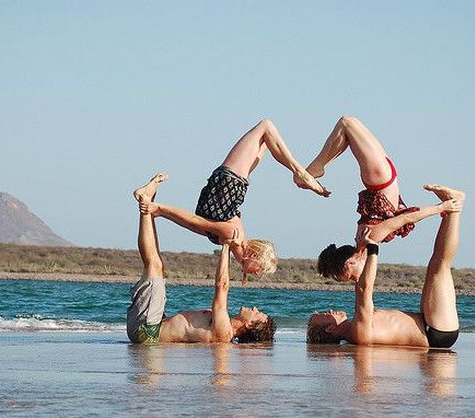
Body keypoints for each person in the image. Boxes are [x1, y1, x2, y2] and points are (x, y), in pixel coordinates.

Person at [137, 119, 330, 278]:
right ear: (253, 255)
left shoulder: (230, 240)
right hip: (229, 187)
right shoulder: (232, 235)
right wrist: (159, 209)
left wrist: (159, 211)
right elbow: (194, 221)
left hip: (228, 187)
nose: (259, 273)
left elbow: (194, 225)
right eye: (260, 269)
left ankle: (300, 172)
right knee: (266, 129)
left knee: (265, 133)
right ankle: (300, 172)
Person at [307, 185, 465, 349]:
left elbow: (362, 289)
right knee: (439, 266)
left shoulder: (355, 326)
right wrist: (373, 248)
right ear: (331, 328)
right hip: (435, 332)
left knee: (436, 266)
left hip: (428, 323)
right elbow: (364, 289)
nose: (330, 310)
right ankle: (455, 207)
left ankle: (452, 209)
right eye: (325, 315)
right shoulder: (358, 331)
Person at [127, 173, 276, 344]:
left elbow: (222, 286)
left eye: (257, 313)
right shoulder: (224, 325)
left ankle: (146, 203)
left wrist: (226, 246)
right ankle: (149, 202)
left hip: (148, 333)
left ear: (250, 325)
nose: (255, 308)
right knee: (156, 266)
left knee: (153, 265)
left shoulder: (224, 332)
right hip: (153, 326)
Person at [307, 116, 450, 282]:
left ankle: (317, 167)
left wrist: (442, 207)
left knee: (347, 123)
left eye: (352, 277)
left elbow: (408, 217)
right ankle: (318, 167)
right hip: (382, 178)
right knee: (347, 129)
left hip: (380, 180)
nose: (357, 279)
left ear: (350, 261)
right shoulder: (366, 241)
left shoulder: (371, 236)